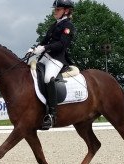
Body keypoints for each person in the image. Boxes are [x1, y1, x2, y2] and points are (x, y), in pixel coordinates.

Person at [30, 0, 75, 130]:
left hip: (57, 59)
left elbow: (62, 44)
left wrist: (44, 48)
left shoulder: (68, 26)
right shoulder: (54, 25)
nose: (55, 11)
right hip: (45, 57)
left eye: (58, 9)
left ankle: (52, 114)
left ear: (66, 11)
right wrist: (33, 49)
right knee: (32, 73)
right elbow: (44, 40)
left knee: (48, 78)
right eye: (55, 9)